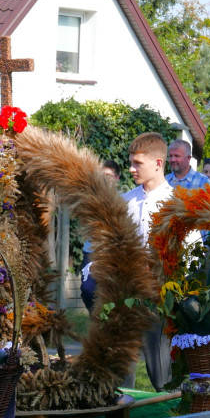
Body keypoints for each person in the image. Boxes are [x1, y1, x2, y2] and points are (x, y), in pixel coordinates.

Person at [123, 133, 174, 388]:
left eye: (137, 163)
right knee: (122, 369)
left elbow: (190, 256)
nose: (131, 169)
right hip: (126, 293)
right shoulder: (125, 201)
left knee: (162, 371)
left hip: (159, 296)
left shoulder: (175, 203)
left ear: (158, 163)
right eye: (131, 162)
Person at [80, 160, 121, 312]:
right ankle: (95, 319)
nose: (105, 180)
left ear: (116, 178)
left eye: (109, 176)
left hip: (114, 254)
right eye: (102, 176)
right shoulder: (89, 197)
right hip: (92, 252)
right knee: (88, 290)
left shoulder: (124, 200)